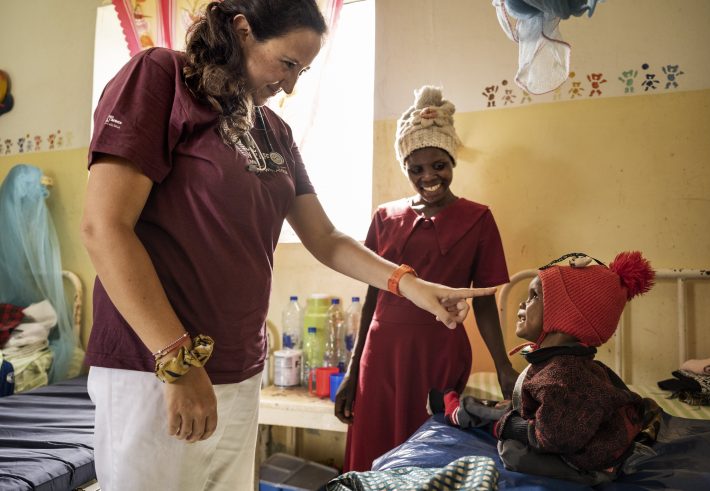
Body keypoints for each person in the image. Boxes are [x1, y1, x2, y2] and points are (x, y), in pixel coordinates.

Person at [80, 2, 495, 489]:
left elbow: (325, 238)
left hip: (239, 367)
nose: (292, 84)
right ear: (242, 31)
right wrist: (178, 362)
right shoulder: (163, 77)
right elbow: (105, 227)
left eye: (304, 70)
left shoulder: (274, 131)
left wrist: (413, 286)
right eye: (288, 63)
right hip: (154, 367)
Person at [335, 85, 519, 472]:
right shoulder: (385, 217)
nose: (429, 176)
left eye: (439, 165)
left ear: (452, 162)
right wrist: (352, 371)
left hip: (438, 352)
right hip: (380, 355)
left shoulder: (478, 219)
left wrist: (503, 365)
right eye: (416, 169)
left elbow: (484, 298)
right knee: (374, 450)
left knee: (428, 451)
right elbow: (372, 295)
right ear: (405, 169)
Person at [429, 251, 662, 485]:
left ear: (563, 316)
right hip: (569, 426)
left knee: (512, 451)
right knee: (512, 411)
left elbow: (554, 437)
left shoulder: (563, 375)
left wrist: (508, 426)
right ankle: (461, 408)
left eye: (534, 296)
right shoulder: (561, 363)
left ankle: (595, 474)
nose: (522, 303)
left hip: (588, 453)